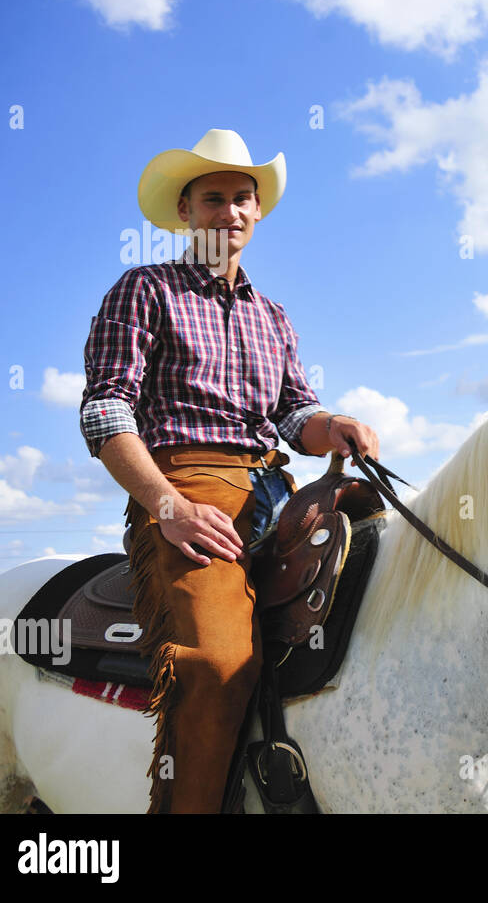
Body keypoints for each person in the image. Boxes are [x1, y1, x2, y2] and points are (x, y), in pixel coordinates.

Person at [79, 128, 380, 813]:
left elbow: (295, 414)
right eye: (213, 199)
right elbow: (105, 411)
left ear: (258, 211)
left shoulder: (273, 315)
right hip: (186, 482)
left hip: (277, 486)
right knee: (217, 664)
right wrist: (167, 506)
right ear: (185, 212)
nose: (231, 212)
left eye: (243, 198)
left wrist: (333, 428)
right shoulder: (145, 289)